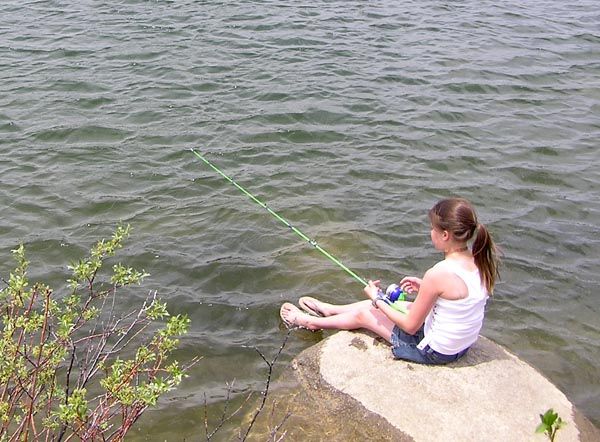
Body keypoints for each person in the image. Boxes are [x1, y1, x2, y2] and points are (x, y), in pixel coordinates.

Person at [279, 197, 499, 365]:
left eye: (433, 228)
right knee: (392, 303)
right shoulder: (479, 261)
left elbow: (411, 327)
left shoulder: (438, 274)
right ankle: (329, 310)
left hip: (434, 352)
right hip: (460, 347)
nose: (430, 232)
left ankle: (310, 322)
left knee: (366, 313)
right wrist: (424, 288)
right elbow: (460, 294)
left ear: (445, 235)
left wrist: (377, 300)